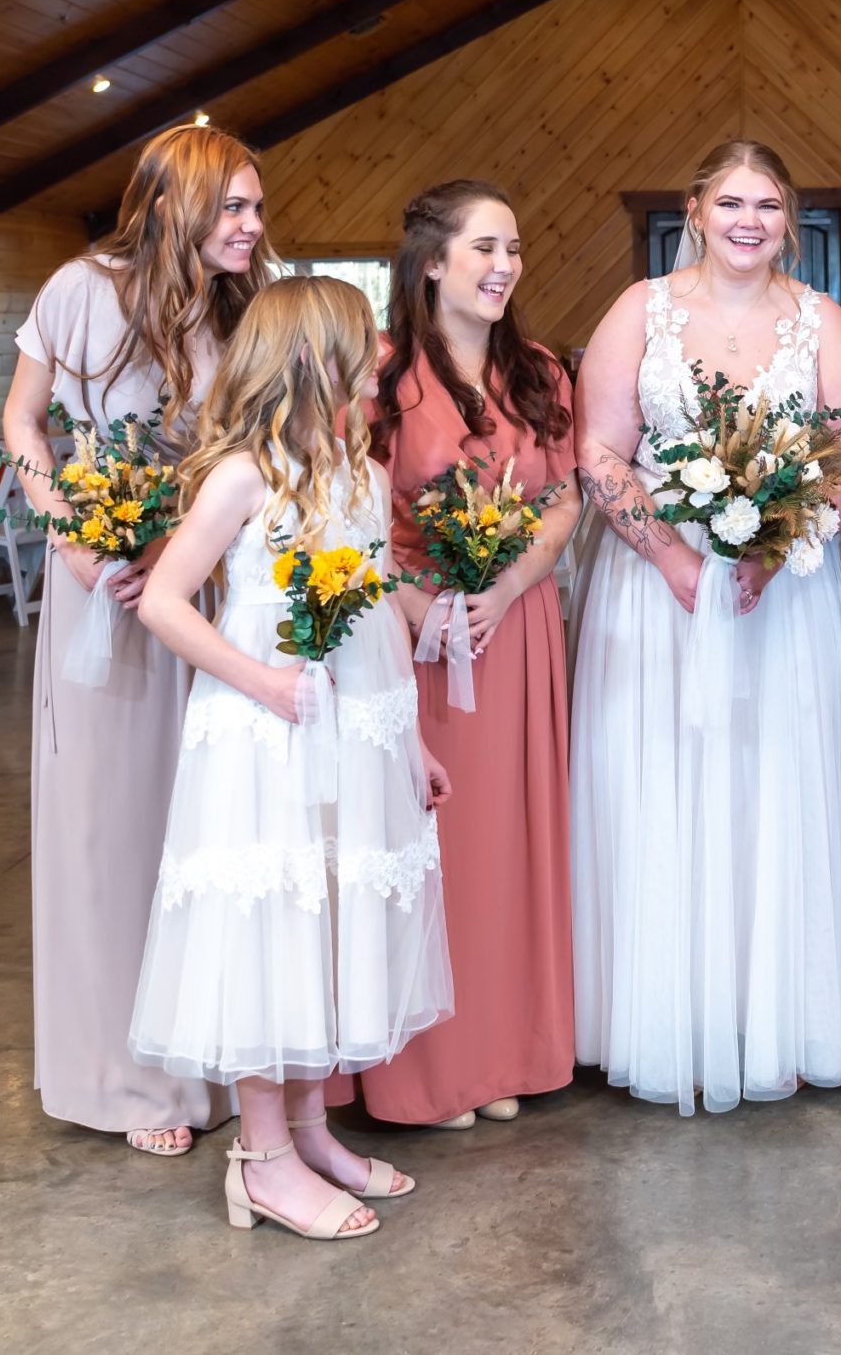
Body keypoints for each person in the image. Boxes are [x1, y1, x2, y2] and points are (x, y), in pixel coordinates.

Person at [128, 275, 454, 1241]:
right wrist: (260, 682)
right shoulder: (244, 474)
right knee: (275, 928)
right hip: (264, 735)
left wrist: (412, 740)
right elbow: (163, 601)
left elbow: (375, 617)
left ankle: (310, 1129)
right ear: (315, 354)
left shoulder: (354, 464)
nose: (382, 356)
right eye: (365, 341)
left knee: (331, 919)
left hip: (349, 735)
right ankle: (260, 1158)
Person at [570, 139, 841, 1115]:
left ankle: (779, 1018)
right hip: (655, 589)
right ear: (695, 209)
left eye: (770, 204)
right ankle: (662, 1019)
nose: (750, 219)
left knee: (777, 786)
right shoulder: (639, 310)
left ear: (789, 220)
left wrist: (781, 539)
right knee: (661, 782)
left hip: (784, 594)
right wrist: (670, 555)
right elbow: (601, 448)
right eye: (732, 201)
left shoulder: (821, 319)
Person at [1, 124, 276, 1156]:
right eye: (234, 208)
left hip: (204, 585)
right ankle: (122, 1077)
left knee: (199, 822)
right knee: (109, 828)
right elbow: (24, 424)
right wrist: (73, 536)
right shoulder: (79, 289)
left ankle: (212, 1056)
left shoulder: (238, 304)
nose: (251, 225)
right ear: (172, 205)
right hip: (102, 581)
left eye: (255, 208)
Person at [355, 180, 580, 1131]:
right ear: (434, 263)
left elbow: (566, 497)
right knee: (436, 850)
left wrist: (512, 585)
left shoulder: (537, 370)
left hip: (516, 631)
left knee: (511, 846)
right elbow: (351, 517)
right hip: (418, 637)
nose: (505, 267)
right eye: (486, 248)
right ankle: (433, 1070)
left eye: (515, 250)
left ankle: (507, 1053)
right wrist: (421, 608)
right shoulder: (379, 375)